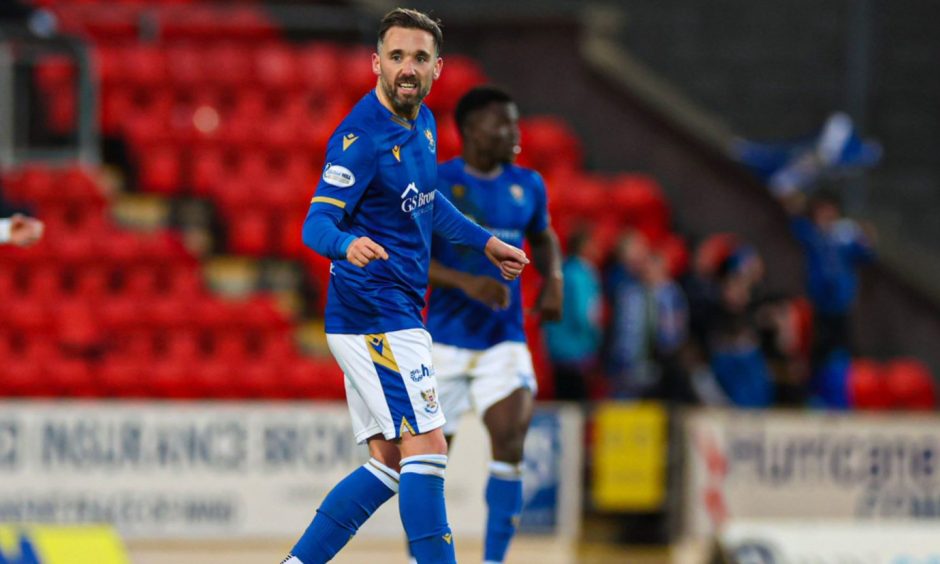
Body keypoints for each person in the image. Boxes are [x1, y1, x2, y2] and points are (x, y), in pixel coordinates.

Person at [285, 9, 529, 564]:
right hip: (375, 314)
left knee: (389, 462)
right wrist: (347, 244)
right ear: (377, 63)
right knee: (429, 447)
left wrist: (484, 242)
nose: (407, 68)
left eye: (419, 58)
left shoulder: (422, 123)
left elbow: (427, 199)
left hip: (389, 314)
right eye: (396, 57)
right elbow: (316, 223)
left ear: (437, 68)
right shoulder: (359, 138)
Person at [425, 86, 563, 564]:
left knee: (511, 439)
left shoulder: (529, 184)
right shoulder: (435, 183)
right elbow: (409, 257)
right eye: (502, 124)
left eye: (516, 123)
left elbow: (543, 237)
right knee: (426, 464)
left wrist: (556, 278)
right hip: (441, 343)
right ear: (469, 130)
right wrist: (466, 282)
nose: (515, 134)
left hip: (504, 340)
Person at [543, 228, 602, 401]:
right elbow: (584, 314)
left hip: (558, 349)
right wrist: (597, 340)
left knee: (565, 404)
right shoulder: (580, 275)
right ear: (584, 246)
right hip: (577, 351)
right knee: (576, 406)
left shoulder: (562, 271)